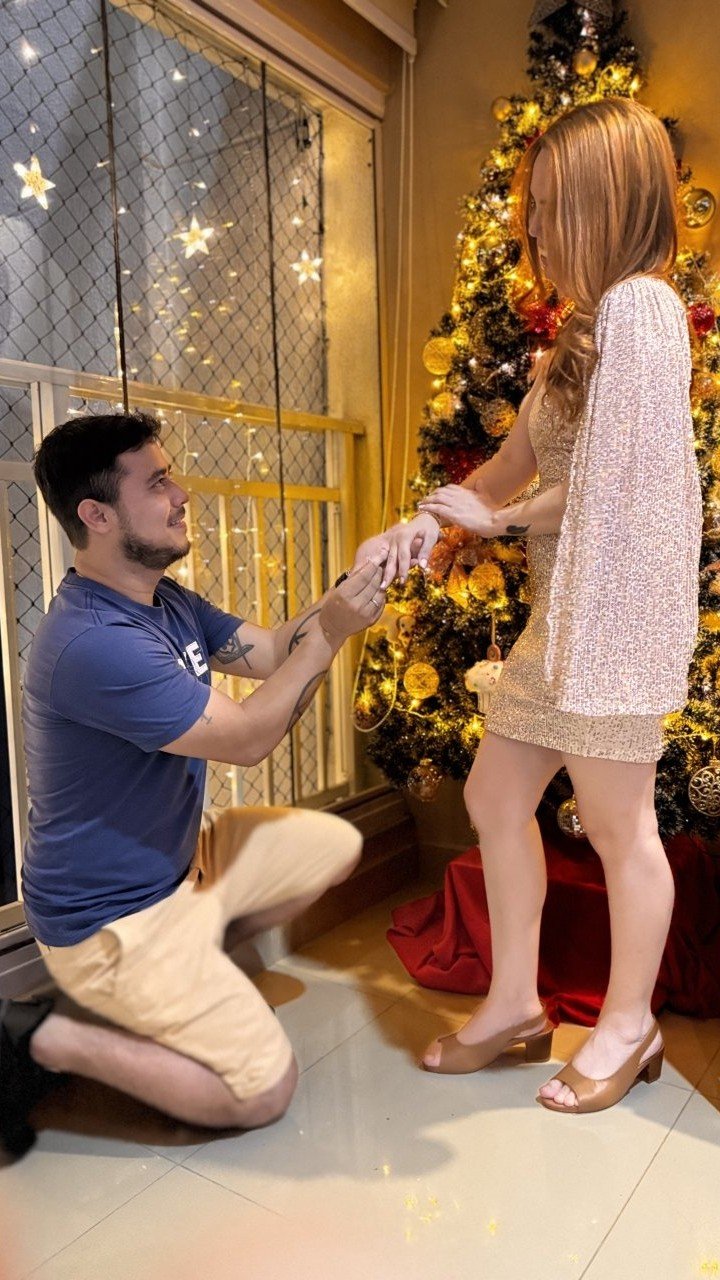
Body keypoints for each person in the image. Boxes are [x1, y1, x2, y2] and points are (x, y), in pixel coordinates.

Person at [357, 97, 702, 1114]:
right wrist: (422, 524)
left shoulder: (643, 310)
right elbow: (509, 469)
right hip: (565, 618)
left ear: (605, 200)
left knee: (620, 828)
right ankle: (514, 1002)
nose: (534, 228)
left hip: (615, 623)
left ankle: (630, 1025)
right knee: (495, 798)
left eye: (550, 205)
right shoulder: (580, 339)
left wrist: (497, 523)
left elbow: (618, 489)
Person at [0, 411, 386, 1158]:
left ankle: (183, 974)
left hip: (181, 871)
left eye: (171, 476)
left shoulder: (164, 600)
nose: (181, 495)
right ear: (97, 515)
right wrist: (335, 632)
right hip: (110, 921)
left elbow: (270, 651)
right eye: (157, 483)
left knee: (332, 844)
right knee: (260, 1092)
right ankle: (38, 1034)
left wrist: (352, 586)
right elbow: (246, 740)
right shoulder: (94, 642)